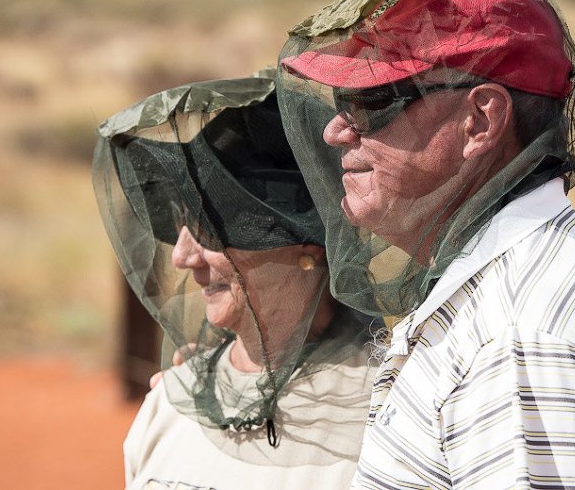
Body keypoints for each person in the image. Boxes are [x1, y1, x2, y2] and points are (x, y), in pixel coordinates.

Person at [276, 0, 575, 489]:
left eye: (374, 101)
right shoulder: (503, 293)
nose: (336, 131)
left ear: (480, 122)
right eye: (341, 99)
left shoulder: (519, 343)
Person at [92, 68, 377, 490]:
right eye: (180, 225)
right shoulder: (169, 402)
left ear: (307, 239)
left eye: (210, 230)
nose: (183, 257)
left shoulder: (386, 406)